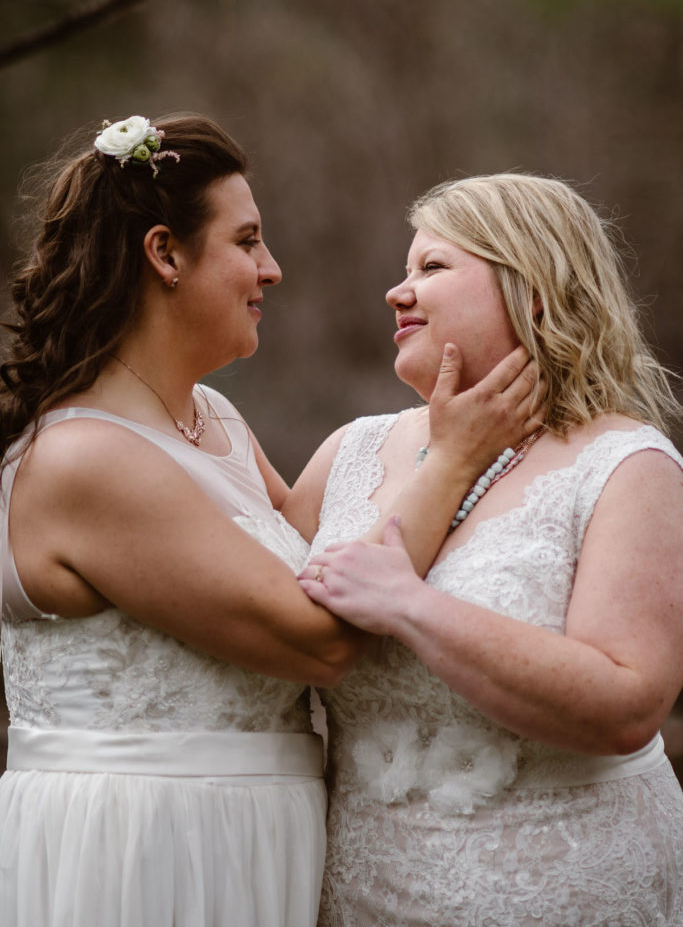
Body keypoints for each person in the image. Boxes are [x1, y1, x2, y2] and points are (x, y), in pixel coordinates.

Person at [0, 116, 543, 927]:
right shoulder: (84, 460)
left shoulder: (211, 418)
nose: (272, 269)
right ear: (165, 254)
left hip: (258, 837)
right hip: (147, 847)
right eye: (247, 241)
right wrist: (454, 460)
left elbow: (315, 556)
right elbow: (317, 637)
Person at [295, 173, 683, 926]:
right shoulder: (350, 452)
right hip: (360, 894)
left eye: (432, 268)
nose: (395, 293)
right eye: (405, 271)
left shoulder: (626, 464)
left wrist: (413, 607)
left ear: (531, 289)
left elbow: (626, 705)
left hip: (564, 893)